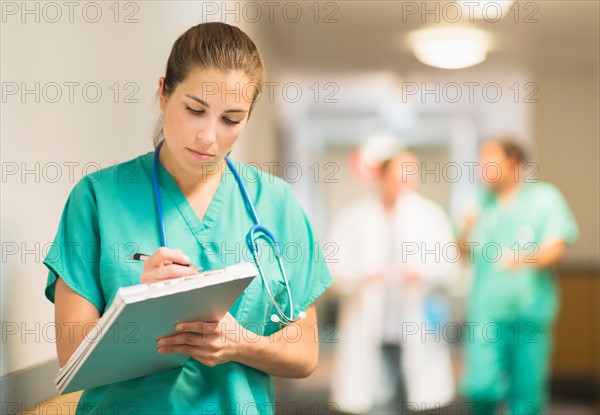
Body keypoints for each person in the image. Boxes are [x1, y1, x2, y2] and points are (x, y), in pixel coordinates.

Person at [43, 22, 333, 415]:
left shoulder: (275, 202)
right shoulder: (97, 197)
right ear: (163, 93)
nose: (208, 136)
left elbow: (305, 351)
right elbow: (71, 351)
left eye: (231, 119)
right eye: (195, 110)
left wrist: (242, 344)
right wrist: (140, 309)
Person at [329, 150, 459, 414]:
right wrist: (362, 274)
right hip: (368, 321)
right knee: (374, 398)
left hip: (414, 318)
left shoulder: (430, 215)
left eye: (411, 174)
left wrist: (422, 272)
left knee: (416, 395)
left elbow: (449, 264)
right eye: (399, 174)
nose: (405, 180)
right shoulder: (353, 216)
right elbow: (332, 264)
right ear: (382, 176)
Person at [458, 138, 578, 415]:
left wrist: (521, 259)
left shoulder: (544, 198)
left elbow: (556, 248)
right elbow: (461, 252)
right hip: (486, 314)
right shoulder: (478, 203)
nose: (481, 168)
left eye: (489, 161)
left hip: (529, 313)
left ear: (512, 162)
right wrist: (466, 229)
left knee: (527, 394)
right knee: (481, 388)